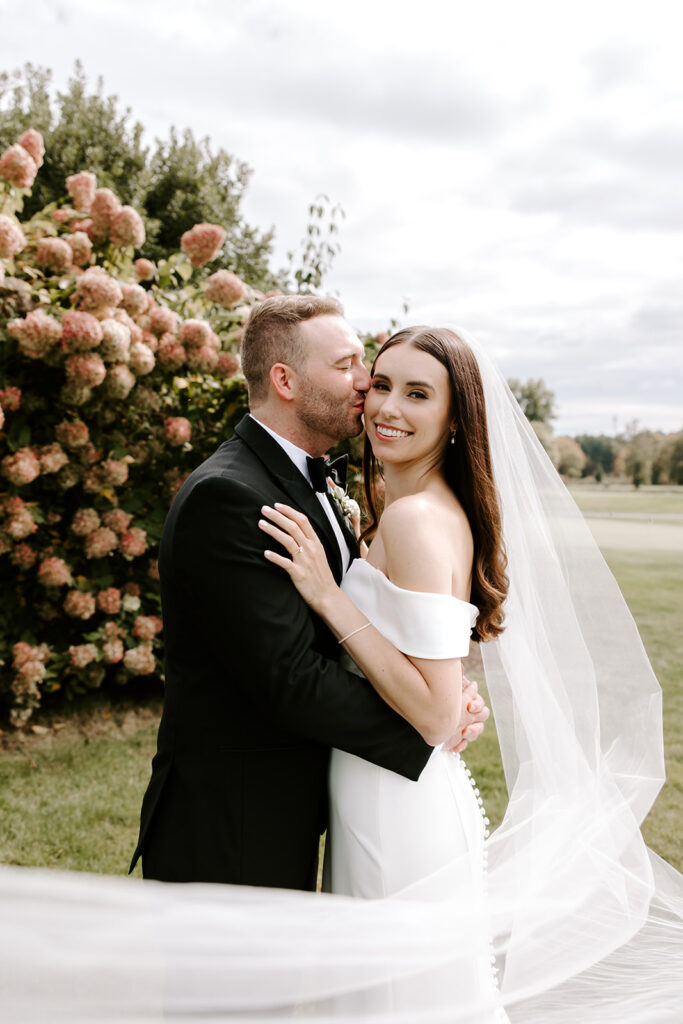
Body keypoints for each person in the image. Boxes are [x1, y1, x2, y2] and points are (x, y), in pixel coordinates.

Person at [129, 296, 488, 888]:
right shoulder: (229, 495)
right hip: (234, 822)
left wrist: (440, 685)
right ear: (285, 380)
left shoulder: (312, 479)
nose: (365, 383)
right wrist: (430, 719)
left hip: (310, 804)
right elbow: (290, 677)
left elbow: (382, 628)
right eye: (348, 365)